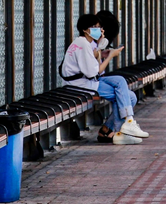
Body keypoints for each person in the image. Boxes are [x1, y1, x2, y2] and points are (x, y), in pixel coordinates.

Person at [60, 14, 148, 145]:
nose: (98, 30)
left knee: (121, 83)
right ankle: (120, 130)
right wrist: (110, 56)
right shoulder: (83, 44)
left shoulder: (85, 42)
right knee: (127, 97)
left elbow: (94, 58)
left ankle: (127, 123)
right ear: (85, 29)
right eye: (94, 27)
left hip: (85, 81)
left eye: (99, 27)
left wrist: (101, 47)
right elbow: (94, 72)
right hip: (81, 85)